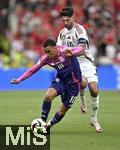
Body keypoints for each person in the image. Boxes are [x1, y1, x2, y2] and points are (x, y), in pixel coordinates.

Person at [11, 39, 84, 130]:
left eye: (49, 51)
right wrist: (19, 79)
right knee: (48, 96)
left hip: (74, 83)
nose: (47, 55)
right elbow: (32, 70)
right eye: (45, 52)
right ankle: (42, 121)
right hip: (61, 80)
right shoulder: (46, 58)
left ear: (55, 47)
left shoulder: (64, 50)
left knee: (62, 112)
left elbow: (81, 49)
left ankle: (50, 124)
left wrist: (72, 53)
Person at [57, 7, 103, 132]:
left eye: (67, 20)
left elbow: (82, 49)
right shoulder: (62, 33)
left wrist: (69, 51)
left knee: (94, 90)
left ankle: (94, 119)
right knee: (82, 83)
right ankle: (82, 99)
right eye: (63, 21)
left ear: (73, 17)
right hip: (74, 64)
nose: (65, 23)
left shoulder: (80, 30)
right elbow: (58, 48)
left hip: (87, 62)